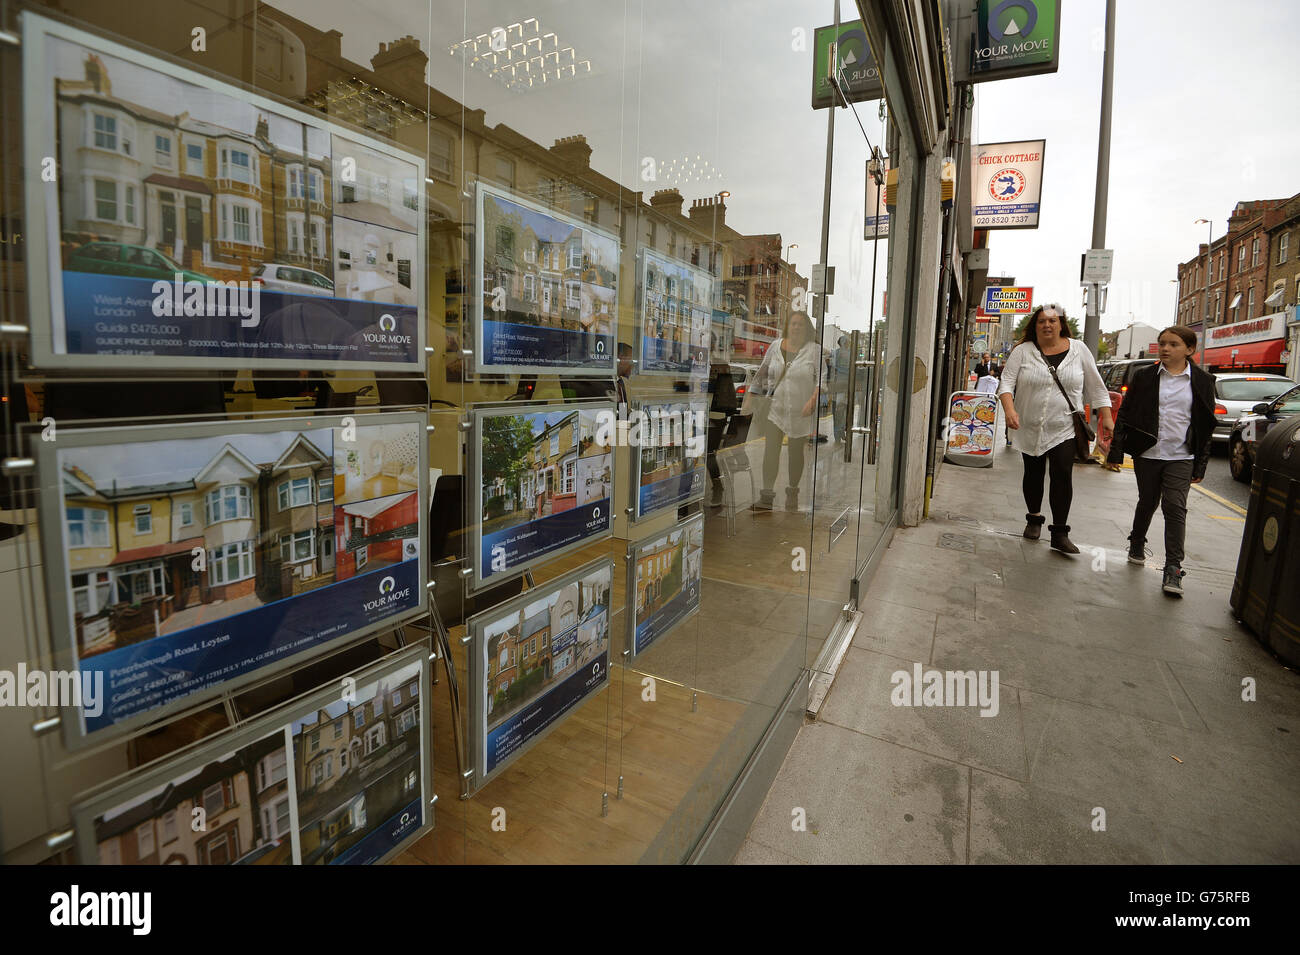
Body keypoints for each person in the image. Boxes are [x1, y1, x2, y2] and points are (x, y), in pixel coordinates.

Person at [1106, 325, 1216, 596]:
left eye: (1174, 344)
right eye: (1162, 343)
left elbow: (1206, 425)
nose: (1166, 348)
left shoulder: (1203, 381)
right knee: (1148, 501)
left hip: (1182, 455)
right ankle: (1137, 540)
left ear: (1190, 350)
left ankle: (1173, 569)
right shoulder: (1145, 377)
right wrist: (1116, 452)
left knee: (1175, 507)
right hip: (1148, 453)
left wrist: (1200, 463)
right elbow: (1126, 415)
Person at [997, 304, 1114, 554]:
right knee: (1033, 472)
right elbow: (1006, 383)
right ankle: (1034, 518)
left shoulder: (1079, 349)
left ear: (1061, 324)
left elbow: (1096, 386)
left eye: (1053, 320)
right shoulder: (1023, 351)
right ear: (1035, 325)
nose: (1047, 325)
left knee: (1062, 473)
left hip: (1065, 426)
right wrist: (1009, 410)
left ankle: (1060, 532)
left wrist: (1106, 418)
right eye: (1041, 321)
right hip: (1028, 424)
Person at [744, 311, 821, 510]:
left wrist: (812, 400)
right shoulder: (775, 346)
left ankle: (792, 492)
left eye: (800, 324)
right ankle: (767, 496)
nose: (796, 327)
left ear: (807, 329)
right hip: (775, 409)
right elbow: (762, 372)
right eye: (793, 323)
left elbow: (822, 380)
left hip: (799, 413)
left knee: (796, 454)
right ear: (788, 326)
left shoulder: (815, 351)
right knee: (771, 452)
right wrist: (751, 397)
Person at [705, 361, 738, 506]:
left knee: (708, 454)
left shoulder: (722, 382)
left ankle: (717, 486)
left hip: (714, 419)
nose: (714, 372)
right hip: (711, 418)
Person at [831, 335, 852, 443]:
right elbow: (833, 368)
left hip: (843, 386)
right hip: (840, 386)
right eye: (846, 341)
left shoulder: (847, 353)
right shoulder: (838, 353)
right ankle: (839, 433)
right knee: (840, 410)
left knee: (840, 411)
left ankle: (840, 433)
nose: (847, 343)